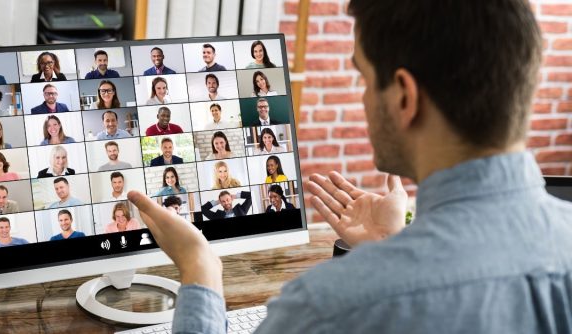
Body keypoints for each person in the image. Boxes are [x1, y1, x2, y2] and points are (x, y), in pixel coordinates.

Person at [126, 2, 572, 333]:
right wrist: (394, 245)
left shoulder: (329, 305)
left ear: (403, 97)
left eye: (362, 76)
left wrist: (200, 268)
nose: (361, 98)